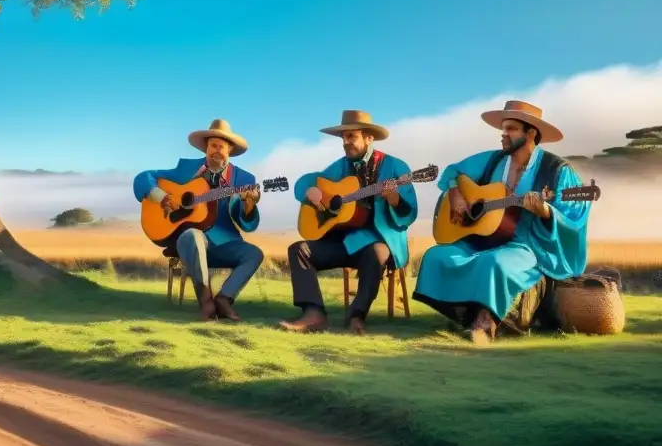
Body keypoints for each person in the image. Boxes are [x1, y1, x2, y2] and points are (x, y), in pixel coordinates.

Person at [412, 100, 593, 344]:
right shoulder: (493, 160)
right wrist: (455, 196)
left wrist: (546, 211)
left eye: (510, 129)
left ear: (530, 133)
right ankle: (465, 313)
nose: (503, 135)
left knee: (494, 262)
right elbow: (453, 172)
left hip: (529, 245)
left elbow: (574, 212)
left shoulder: (558, 171)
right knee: (437, 256)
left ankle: (484, 326)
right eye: (503, 129)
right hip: (485, 238)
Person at [279, 110, 418, 335]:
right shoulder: (340, 166)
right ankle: (313, 313)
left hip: (380, 242)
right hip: (344, 243)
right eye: (343, 138)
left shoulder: (395, 167)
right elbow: (302, 184)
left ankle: (357, 316)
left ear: (368, 138)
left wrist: (394, 199)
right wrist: (312, 192)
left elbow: (409, 213)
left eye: (351, 136)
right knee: (299, 250)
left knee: (376, 252)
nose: (345, 143)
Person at [133, 119, 264, 321]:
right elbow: (143, 177)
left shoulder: (244, 179)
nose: (217, 151)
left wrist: (249, 205)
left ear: (230, 149)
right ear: (206, 148)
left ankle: (225, 298)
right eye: (213, 145)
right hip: (191, 243)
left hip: (225, 243)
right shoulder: (185, 169)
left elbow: (247, 221)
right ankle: (206, 302)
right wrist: (161, 197)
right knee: (192, 236)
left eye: (222, 146)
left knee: (254, 254)